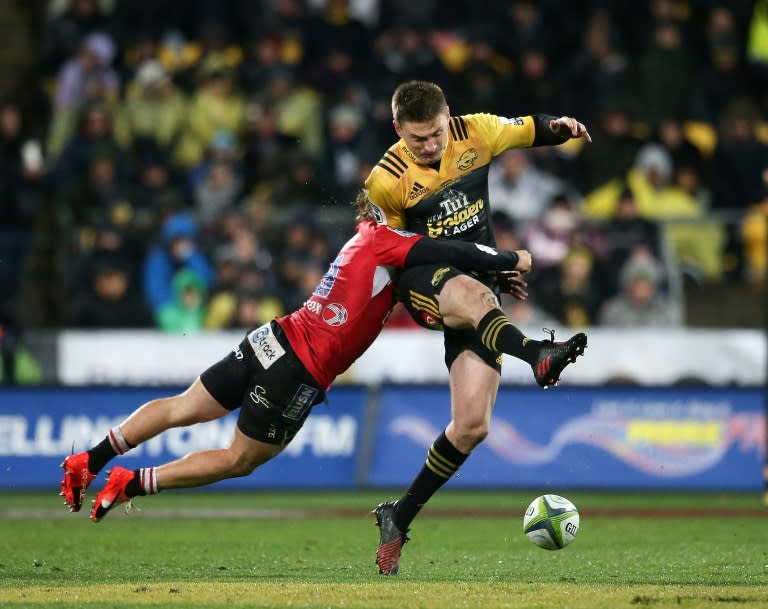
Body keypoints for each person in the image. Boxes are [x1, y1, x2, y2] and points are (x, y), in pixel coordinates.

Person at [58, 190, 532, 522]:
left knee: (183, 405)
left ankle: (89, 459)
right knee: (239, 459)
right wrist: (509, 260)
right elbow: (445, 247)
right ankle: (132, 483)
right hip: (299, 368)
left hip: (273, 336)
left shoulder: (360, 238)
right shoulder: (392, 242)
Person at [363, 80, 591, 575]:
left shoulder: (478, 132)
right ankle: (536, 354)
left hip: (478, 287)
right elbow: (389, 252)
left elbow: (531, 129)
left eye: (437, 133)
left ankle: (397, 517)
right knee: (476, 294)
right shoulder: (385, 181)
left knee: (471, 426)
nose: (430, 145)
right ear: (398, 128)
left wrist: (561, 128)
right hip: (424, 284)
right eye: (418, 138)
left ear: (450, 117)